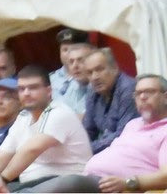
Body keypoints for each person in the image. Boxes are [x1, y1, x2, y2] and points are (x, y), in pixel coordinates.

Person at [22, 73, 167, 193]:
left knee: (71, 182)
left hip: (112, 186)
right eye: (138, 93)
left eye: (149, 92)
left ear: (165, 97)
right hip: (89, 178)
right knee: (37, 183)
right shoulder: (133, 124)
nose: (142, 97)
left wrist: (128, 183)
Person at [0, 66, 92, 193]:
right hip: (31, 185)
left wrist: (3, 179)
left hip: (66, 183)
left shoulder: (59, 112)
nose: (26, 93)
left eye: (33, 88)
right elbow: (0, 158)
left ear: (49, 91)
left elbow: (32, 149)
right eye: (21, 89)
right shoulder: (23, 118)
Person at [81, 48, 138, 154]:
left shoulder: (128, 88)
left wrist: (86, 149)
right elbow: (87, 131)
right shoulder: (92, 90)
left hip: (129, 150)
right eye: (89, 72)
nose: (94, 77)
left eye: (99, 69)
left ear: (115, 68)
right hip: (103, 151)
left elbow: (123, 135)